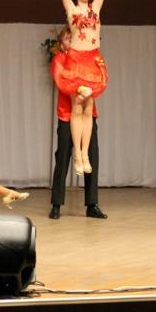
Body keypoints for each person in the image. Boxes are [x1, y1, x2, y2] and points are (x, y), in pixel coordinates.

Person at [38, 0, 119, 176]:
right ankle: (78, 155)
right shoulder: (72, 10)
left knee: (88, 108)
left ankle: (84, 152)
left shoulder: (96, 9)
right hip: (76, 61)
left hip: (93, 61)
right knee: (76, 107)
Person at [48, 27, 107, 220]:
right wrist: (79, 89)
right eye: (67, 39)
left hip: (88, 116)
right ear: (61, 43)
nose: (71, 42)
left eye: (72, 38)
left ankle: (92, 204)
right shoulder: (59, 59)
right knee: (63, 157)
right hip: (67, 115)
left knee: (92, 157)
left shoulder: (88, 59)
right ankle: (56, 204)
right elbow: (61, 82)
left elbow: (99, 78)